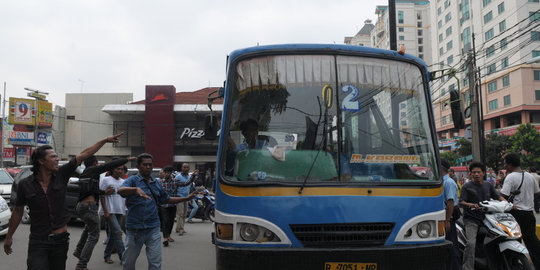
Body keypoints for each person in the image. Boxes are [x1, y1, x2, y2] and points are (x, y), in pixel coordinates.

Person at [3, 134, 123, 270]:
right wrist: (9, 237)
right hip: (38, 241)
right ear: (41, 161)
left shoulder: (62, 174)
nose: (57, 159)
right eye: (53, 157)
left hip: (60, 240)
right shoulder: (25, 184)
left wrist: (104, 140)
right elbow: (18, 211)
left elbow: (84, 154)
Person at [118, 153, 197, 270]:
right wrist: (135, 190)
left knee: (155, 263)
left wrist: (186, 198)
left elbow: (167, 199)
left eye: (150, 165)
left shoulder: (156, 183)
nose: (148, 167)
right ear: (138, 166)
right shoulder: (132, 180)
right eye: (145, 165)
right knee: (128, 263)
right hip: (135, 229)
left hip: (153, 228)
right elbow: (120, 190)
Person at [73, 154, 134, 270]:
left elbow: (94, 191)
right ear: (95, 163)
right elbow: (109, 165)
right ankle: (82, 264)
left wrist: (105, 192)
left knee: (89, 228)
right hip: (88, 206)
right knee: (94, 235)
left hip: (83, 205)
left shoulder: (86, 174)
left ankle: (79, 250)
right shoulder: (93, 171)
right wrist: (126, 159)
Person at [459, 161, 505, 270]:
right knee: (471, 244)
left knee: (499, 238)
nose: (476, 174)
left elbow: (498, 196)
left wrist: (507, 203)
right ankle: (467, 268)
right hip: (471, 219)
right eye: (473, 172)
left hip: (487, 218)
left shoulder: (488, 185)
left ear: (483, 173)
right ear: (470, 174)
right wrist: (470, 204)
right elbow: (461, 202)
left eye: (478, 172)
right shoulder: (466, 186)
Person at [500, 154, 540, 268]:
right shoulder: (529, 176)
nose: (505, 166)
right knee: (532, 242)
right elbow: (537, 192)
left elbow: (503, 196)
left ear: (510, 164)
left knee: (513, 241)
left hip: (515, 214)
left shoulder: (510, 177)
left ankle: (515, 265)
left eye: (505, 163)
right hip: (529, 214)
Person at [100, 160, 128, 264]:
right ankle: (123, 257)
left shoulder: (123, 182)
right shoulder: (106, 180)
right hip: (110, 210)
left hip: (119, 210)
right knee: (118, 232)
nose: (120, 171)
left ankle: (107, 255)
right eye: (118, 169)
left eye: (121, 169)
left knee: (113, 234)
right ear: (113, 169)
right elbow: (101, 195)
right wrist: (105, 211)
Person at [441, 159, 461, 270]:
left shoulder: (448, 182)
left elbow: (451, 202)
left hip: (447, 218)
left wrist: (447, 220)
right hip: (443, 218)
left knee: (452, 247)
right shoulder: (442, 181)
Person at [158, 166, 179, 247]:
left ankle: (169, 235)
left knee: (171, 221)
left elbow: (185, 184)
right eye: (165, 172)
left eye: (169, 173)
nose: (167, 174)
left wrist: (193, 176)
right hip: (163, 205)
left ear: (171, 173)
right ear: (164, 173)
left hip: (173, 204)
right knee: (165, 221)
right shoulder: (160, 182)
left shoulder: (175, 181)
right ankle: (165, 238)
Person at [174, 163, 198, 236]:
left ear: (189, 168)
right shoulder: (178, 177)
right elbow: (176, 187)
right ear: (181, 168)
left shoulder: (189, 177)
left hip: (187, 197)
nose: (186, 169)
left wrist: (190, 197)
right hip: (179, 197)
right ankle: (180, 229)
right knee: (180, 214)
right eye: (184, 167)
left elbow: (190, 187)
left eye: (187, 167)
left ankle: (179, 228)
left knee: (184, 214)